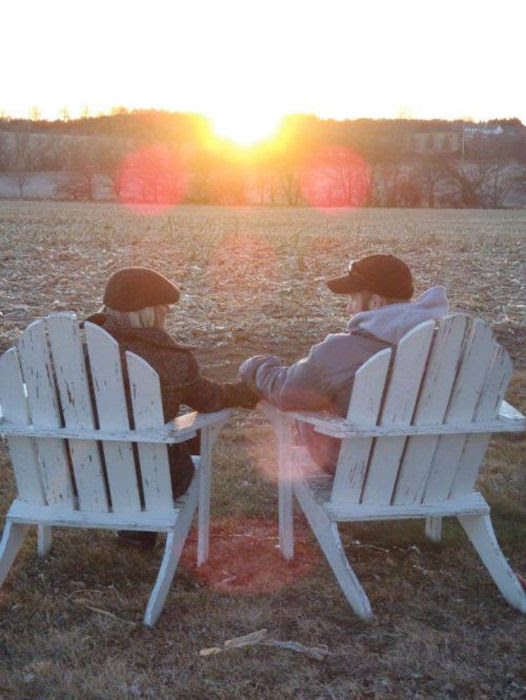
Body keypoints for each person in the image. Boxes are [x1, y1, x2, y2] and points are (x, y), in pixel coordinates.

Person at [86, 267, 259, 547]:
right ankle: (143, 524)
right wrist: (247, 391)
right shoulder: (170, 358)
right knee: (194, 431)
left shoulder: (74, 346)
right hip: (148, 478)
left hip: (79, 474)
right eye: (164, 310)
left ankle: (136, 531)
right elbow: (209, 398)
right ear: (152, 312)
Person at [239, 253, 449, 473]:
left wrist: (256, 365)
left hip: (358, 472)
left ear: (376, 302)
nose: (349, 309)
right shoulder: (445, 345)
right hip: (430, 470)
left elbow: (284, 391)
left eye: (352, 298)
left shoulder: (340, 352)